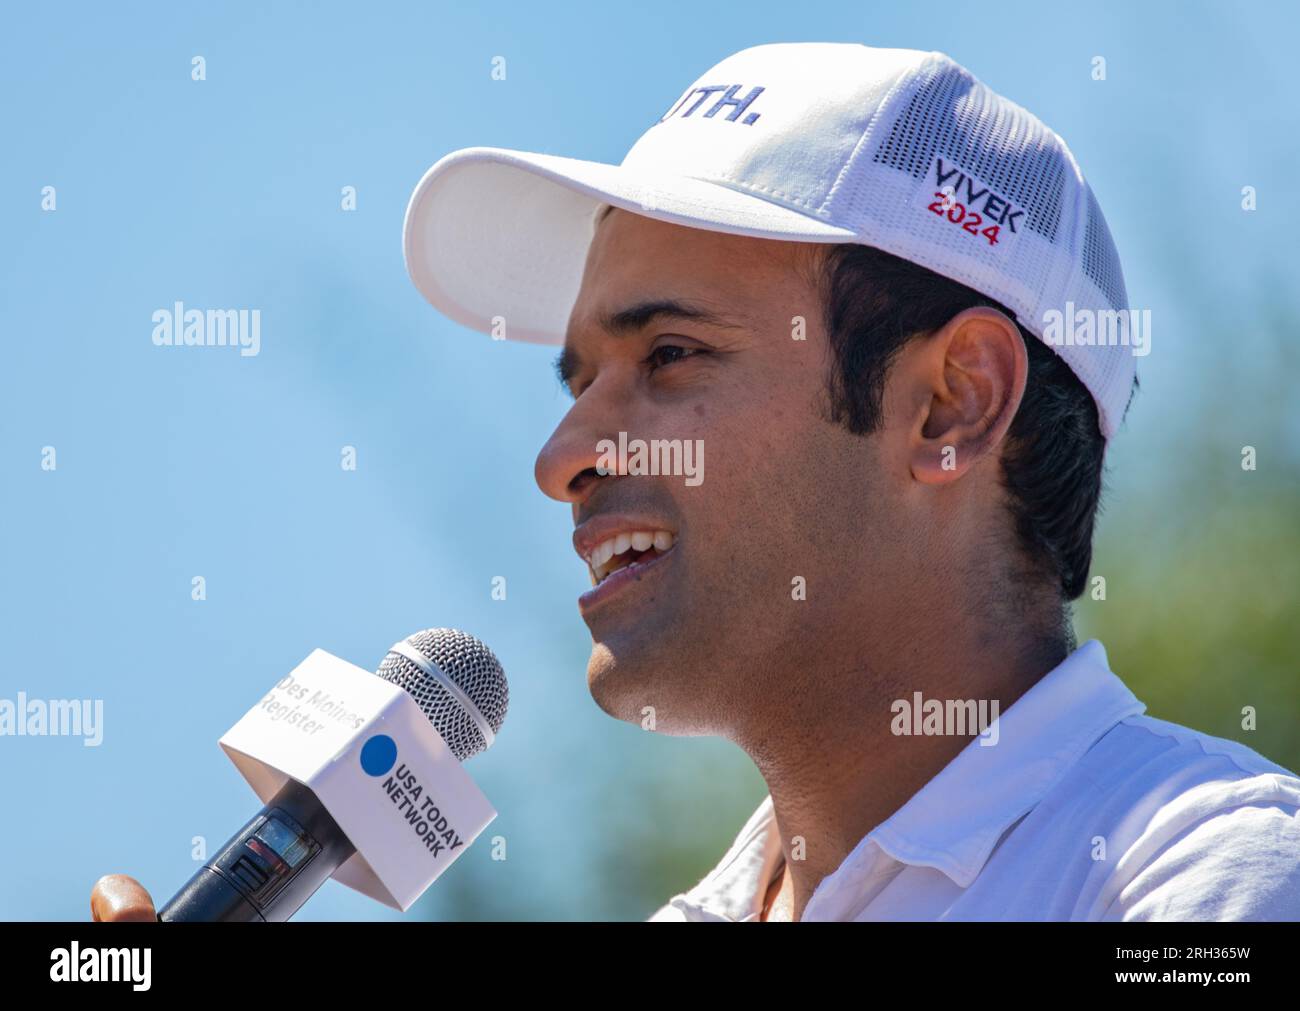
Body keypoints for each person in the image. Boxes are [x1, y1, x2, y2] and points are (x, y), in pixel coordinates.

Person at [91, 41, 1300, 923]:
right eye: (575, 381)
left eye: (669, 356)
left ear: (950, 404)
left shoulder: (1207, 875)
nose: (562, 459)